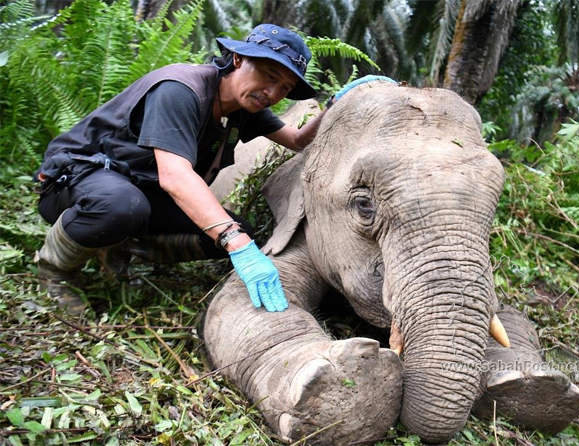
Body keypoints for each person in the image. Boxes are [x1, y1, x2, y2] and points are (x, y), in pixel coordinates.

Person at [34, 23, 386, 316]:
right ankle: (54, 272)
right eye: (269, 74)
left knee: (229, 228)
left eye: (285, 88)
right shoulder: (181, 89)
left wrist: (336, 105)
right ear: (237, 58)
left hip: (137, 192)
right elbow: (175, 175)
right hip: (76, 182)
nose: (273, 92)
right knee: (132, 209)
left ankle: (118, 248)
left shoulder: (244, 107)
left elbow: (295, 140)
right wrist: (236, 242)